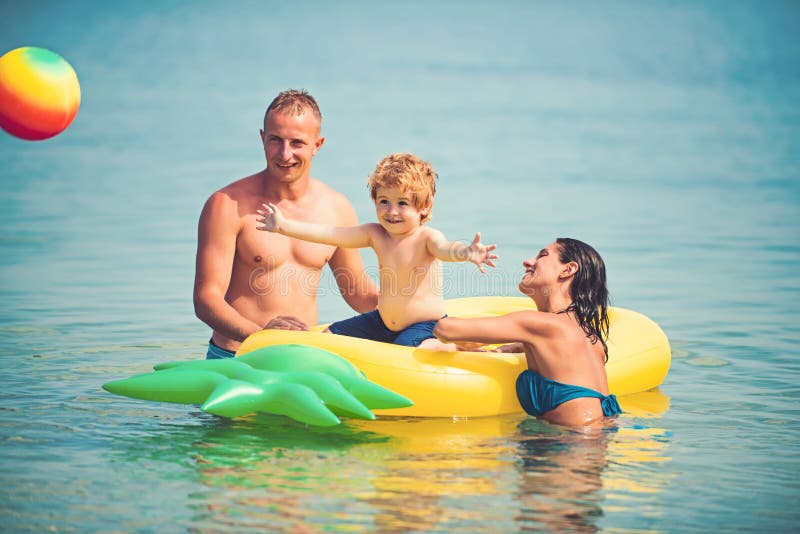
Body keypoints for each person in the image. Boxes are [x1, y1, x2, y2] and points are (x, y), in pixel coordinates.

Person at [194, 89, 378, 359]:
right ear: (262, 139)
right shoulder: (226, 205)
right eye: (275, 140)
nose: (284, 153)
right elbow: (206, 299)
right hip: (236, 356)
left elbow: (358, 292)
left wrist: (414, 313)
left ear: (318, 145)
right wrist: (262, 336)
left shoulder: (336, 208)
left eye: (297, 143)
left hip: (299, 358)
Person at [256, 153, 498, 349]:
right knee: (329, 336)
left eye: (402, 203)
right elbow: (331, 234)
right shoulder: (375, 234)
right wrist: (284, 226)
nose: (391, 211)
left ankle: (456, 345)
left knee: (408, 351)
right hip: (381, 321)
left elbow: (446, 249)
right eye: (384, 201)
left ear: (423, 208)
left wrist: (467, 252)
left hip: (425, 325)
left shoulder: (426, 237)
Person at [433, 238, 622, 428]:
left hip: (568, 447)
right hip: (602, 436)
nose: (527, 262)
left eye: (542, 255)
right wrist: (505, 349)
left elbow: (445, 328)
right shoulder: (591, 338)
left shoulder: (537, 324)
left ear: (567, 269)